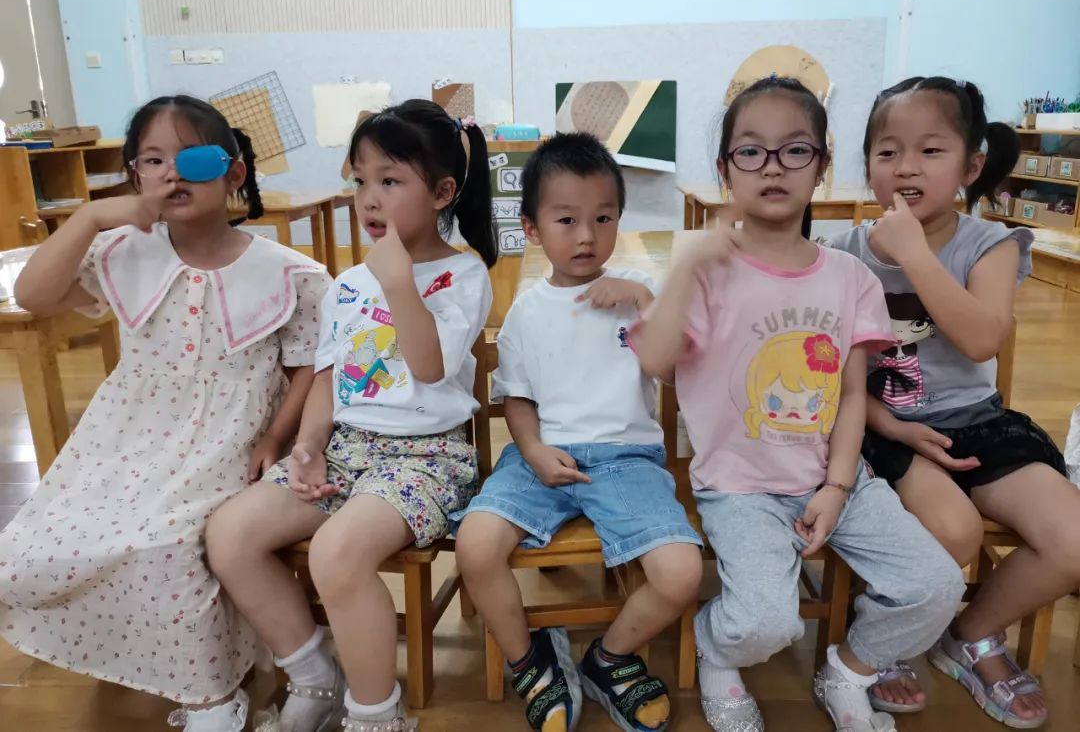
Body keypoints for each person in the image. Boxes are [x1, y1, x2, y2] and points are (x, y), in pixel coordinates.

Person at [633, 76, 964, 732]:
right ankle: (716, 647)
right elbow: (656, 363)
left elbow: (850, 392)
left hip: (838, 480)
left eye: (794, 150)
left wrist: (838, 487)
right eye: (750, 151)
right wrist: (687, 269)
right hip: (741, 489)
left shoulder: (850, 278)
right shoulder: (708, 272)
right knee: (766, 622)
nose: (772, 166)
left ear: (822, 164)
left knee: (937, 585)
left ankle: (849, 669)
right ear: (726, 169)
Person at [0, 95, 331, 732]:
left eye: (193, 159)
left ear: (233, 174)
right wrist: (91, 216)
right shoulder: (123, 252)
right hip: (127, 435)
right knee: (33, 549)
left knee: (167, 542)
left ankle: (213, 699)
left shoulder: (289, 273)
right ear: (135, 176)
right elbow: (33, 295)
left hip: (225, 437)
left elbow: (309, 366)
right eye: (152, 161)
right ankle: (144, 658)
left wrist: (276, 436)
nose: (172, 173)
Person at [206, 100, 497, 732]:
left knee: (335, 554)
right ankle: (315, 675)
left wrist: (398, 283)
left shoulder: (463, 274)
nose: (369, 198)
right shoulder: (348, 283)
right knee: (228, 535)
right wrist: (309, 445)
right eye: (360, 179)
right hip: (346, 449)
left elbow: (430, 367)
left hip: (425, 459)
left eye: (390, 180)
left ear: (442, 192)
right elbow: (329, 374)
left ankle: (375, 716)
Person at [830, 76, 1079, 727]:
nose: (906, 167)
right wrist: (888, 425)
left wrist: (914, 254)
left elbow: (980, 339)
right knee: (953, 530)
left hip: (977, 423)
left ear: (971, 167)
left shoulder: (990, 244)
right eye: (887, 152)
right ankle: (886, 636)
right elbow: (828, 373)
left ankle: (970, 635)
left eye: (930, 150)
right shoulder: (843, 254)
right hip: (884, 425)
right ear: (867, 164)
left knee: (1074, 539)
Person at [453, 132, 703, 732]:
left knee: (682, 573)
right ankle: (531, 661)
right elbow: (518, 398)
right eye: (567, 220)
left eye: (603, 218)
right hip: (541, 457)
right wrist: (534, 450)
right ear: (534, 229)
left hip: (627, 460)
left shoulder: (637, 291)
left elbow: (676, 370)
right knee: (475, 546)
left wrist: (646, 302)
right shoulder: (526, 311)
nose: (587, 236)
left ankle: (608, 658)